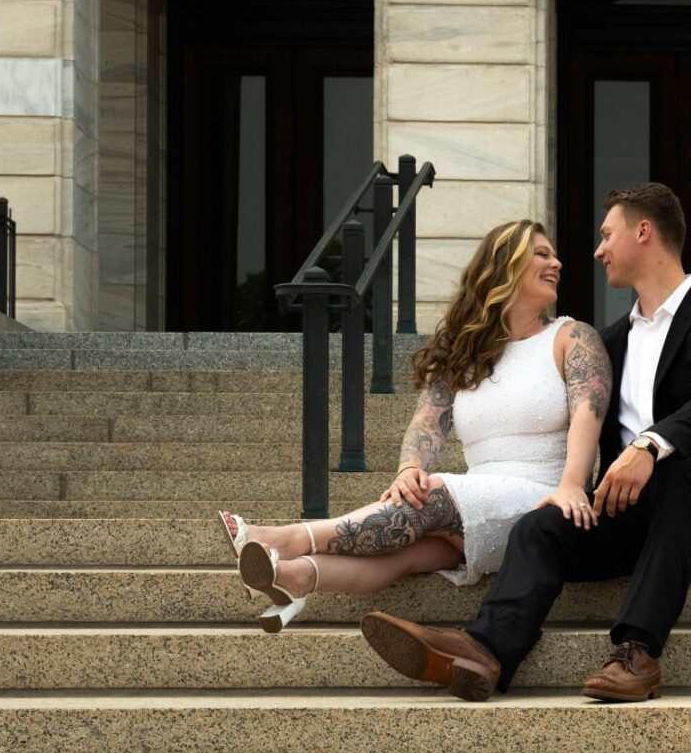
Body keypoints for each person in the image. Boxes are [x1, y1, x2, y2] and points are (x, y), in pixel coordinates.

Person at [358, 182, 691, 702]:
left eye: (607, 235)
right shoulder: (607, 343)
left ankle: (637, 651)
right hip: (634, 515)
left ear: (643, 232)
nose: (597, 250)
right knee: (541, 524)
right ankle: (487, 649)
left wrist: (649, 446)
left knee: (679, 468)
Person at [214, 220, 612, 631]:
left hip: (542, 501)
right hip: (475, 500)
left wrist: (572, 485)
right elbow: (427, 422)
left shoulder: (572, 337)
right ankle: (295, 578)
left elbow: (589, 411)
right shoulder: (466, 353)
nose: (557, 263)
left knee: (431, 495)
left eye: (554, 254)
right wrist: (408, 470)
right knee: (405, 552)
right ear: (504, 266)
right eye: (542, 254)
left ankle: (283, 539)